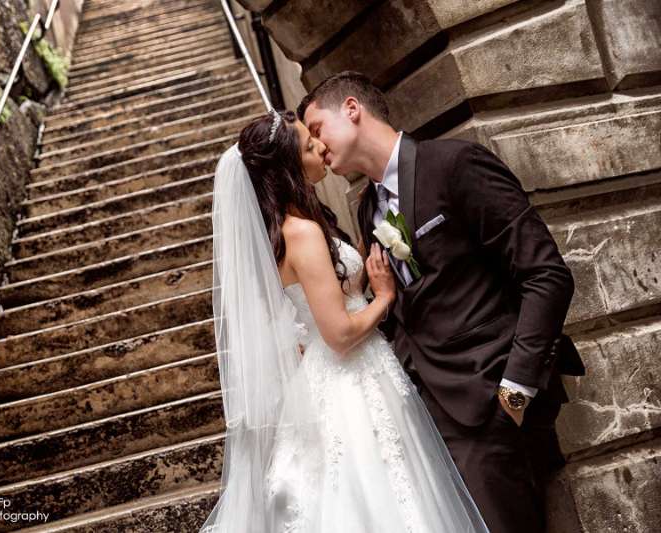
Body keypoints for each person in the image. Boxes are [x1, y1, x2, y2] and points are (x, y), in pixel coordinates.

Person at [298, 71, 586, 533]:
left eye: (317, 129)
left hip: (492, 397)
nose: (317, 146)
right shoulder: (366, 208)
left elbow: (545, 274)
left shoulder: (454, 164)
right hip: (430, 411)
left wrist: (516, 389)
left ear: (352, 110)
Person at [201, 109, 489, 532]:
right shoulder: (301, 232)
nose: (319, 146)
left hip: (349, 373)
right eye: (307, 145)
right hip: (349, 378)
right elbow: (338, 334)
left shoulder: (293, 227)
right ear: (287, 167)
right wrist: (384, 297)